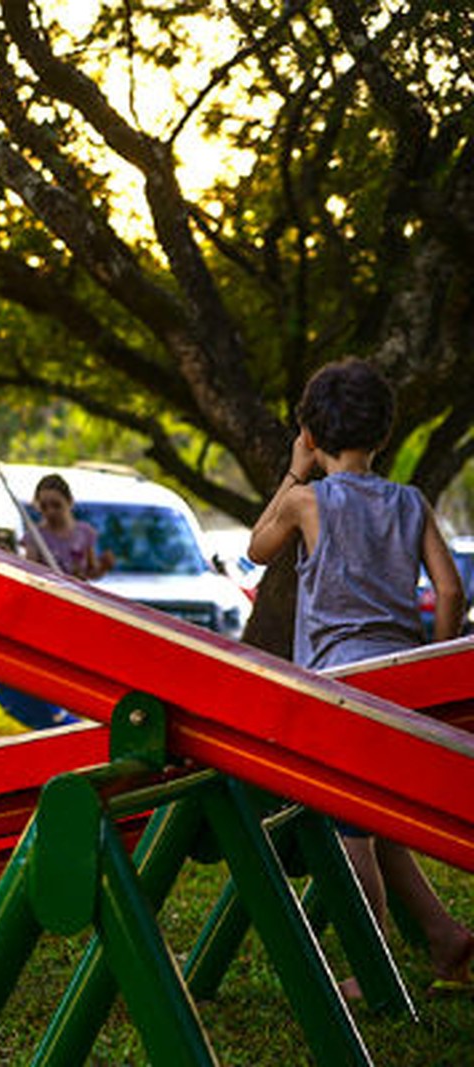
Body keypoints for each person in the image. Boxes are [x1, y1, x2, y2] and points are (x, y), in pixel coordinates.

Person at [249, 357, 473, 1000]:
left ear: (312, 434)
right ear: (383, 435)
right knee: (372, 819)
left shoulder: (306, 500)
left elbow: (258, 549)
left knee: (345, 830)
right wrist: (433, 664)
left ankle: (369, 964)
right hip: (401, 681)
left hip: (338, 685)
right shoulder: (410, 501)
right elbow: (451, 590)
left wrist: (296, 467)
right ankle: (443, 936)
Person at [24, 473, 114, 580]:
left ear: (69, 501)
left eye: (56, 505)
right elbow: (31, 575)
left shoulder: (85, 532)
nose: (50, 512)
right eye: (44, 507)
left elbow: (92, 572)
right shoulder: (35, 536)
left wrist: (104, 567)